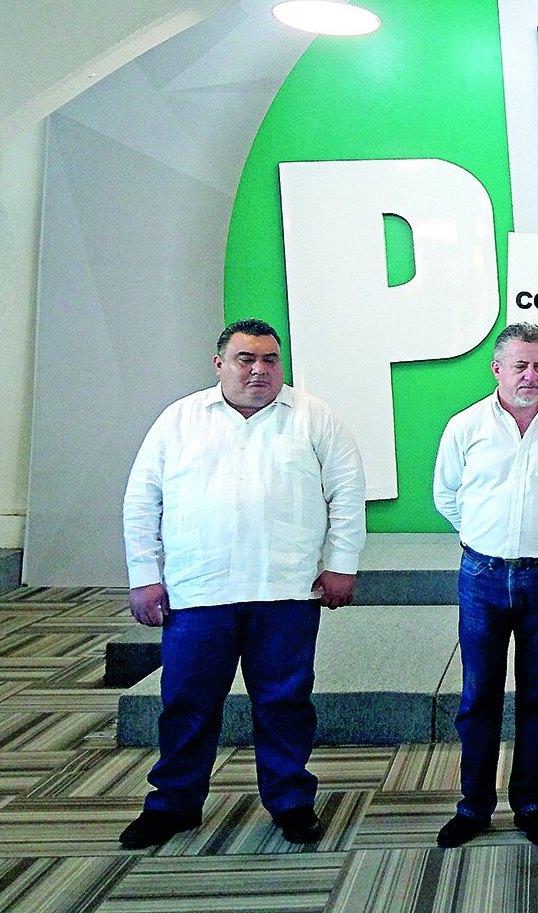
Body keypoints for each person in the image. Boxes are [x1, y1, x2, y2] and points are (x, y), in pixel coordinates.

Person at [118, 318, 366, 849]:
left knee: (285, 703)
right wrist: (144, 576)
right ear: (219, 364)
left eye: (269, 360)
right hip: (198, 591)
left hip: (285, 591)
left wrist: (342, 563)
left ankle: (291, 801)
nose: (259, 370)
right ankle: (173, 803)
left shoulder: (314, 417)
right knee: (186, 703)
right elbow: (141, 500)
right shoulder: (179, 420)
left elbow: (347, 493)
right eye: (245, 359)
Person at [433, 322, 538, 848]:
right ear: (497, 369)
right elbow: (446, 495)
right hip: (481, 575)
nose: (530, 376)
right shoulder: (466, 426)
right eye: (520, 365)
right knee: (479, 694)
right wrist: (487, 536)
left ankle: (530, 802)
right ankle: (474, 806)